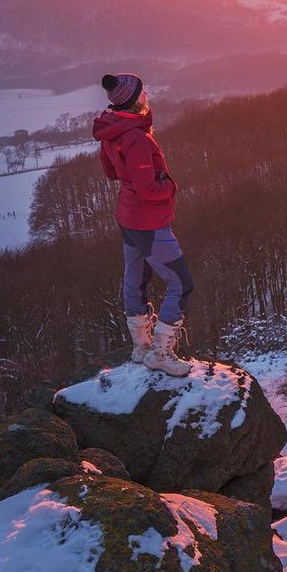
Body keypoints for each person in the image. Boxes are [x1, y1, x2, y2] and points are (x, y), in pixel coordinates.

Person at [93, 73, 193, 377]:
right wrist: (171, 187)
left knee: (135, 279)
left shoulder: (113, 129)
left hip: (128, 218)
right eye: (142, 91)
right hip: (148, 222)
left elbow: (111, 172)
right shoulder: (135, 137)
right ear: (134, 98)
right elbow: (149, 189)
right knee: (181, 283)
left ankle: (141, 347)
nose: (147, 93)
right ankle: (160, 352)